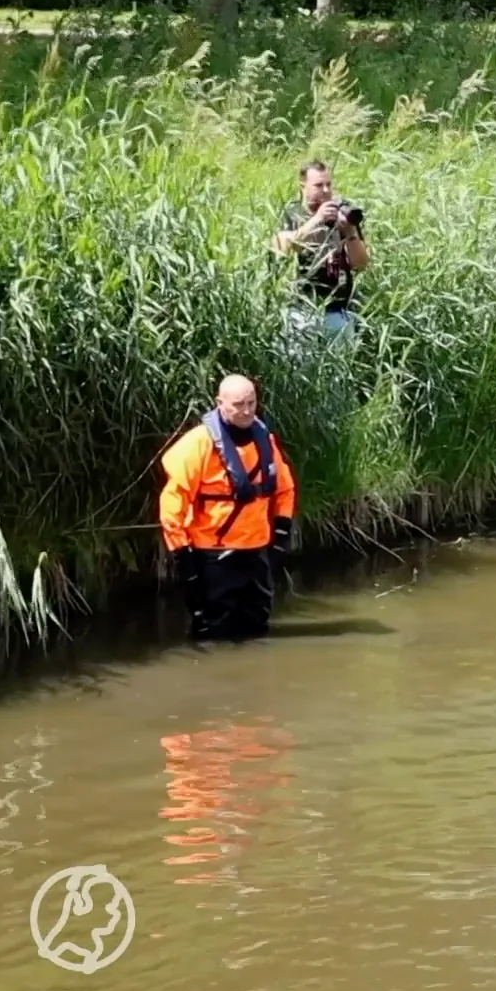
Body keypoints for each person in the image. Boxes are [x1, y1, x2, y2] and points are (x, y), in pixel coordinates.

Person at [158, 375, 299, 642]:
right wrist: (181, 552)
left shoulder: (264, 440)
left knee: (257, 624)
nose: (246, 411)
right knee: (212, 627)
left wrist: (281, 532)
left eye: (251, 403)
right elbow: (174, 500)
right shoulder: (198, 443)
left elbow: (285, 489)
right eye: (238, 404)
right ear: (220, 403)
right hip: (213, 551)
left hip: (256, 550)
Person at [272, 160, 370, 341]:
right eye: (318, 185)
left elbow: (361, 264)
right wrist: (317, 220)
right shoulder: (292, 213)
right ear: (303, 186)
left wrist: (350, 232)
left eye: (328, 184)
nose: (325, 190)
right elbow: (281, 248)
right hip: (301, 309)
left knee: (340, 367)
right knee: (300, 366)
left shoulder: (342, 215)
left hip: (338, 311)